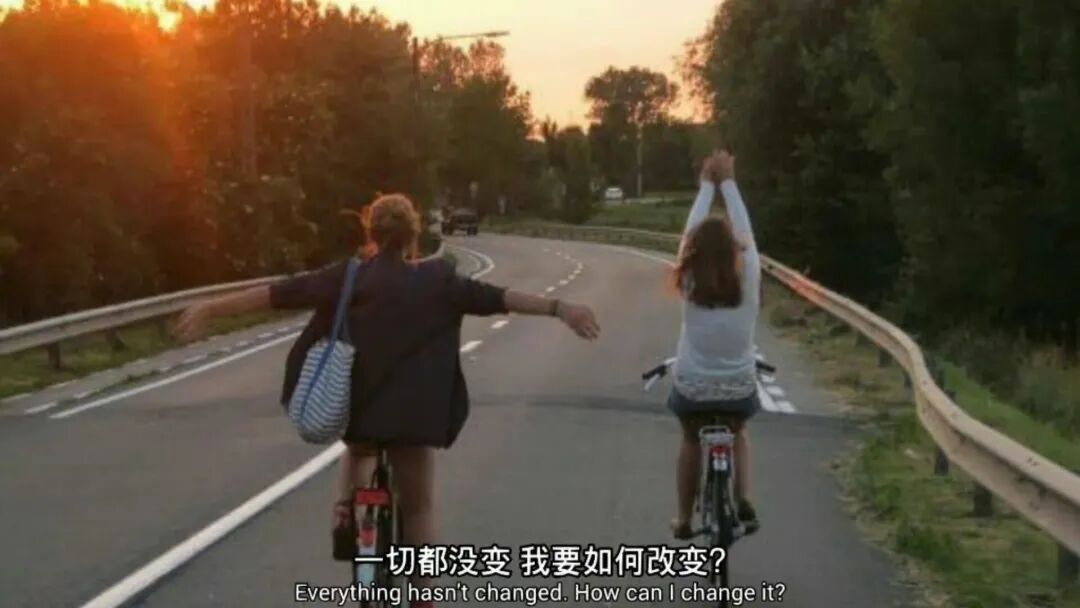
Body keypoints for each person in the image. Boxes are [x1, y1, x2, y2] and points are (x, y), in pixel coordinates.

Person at [173, 194, 600, 605]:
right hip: (415, 421)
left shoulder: (349, 277)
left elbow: (279, 293)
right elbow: (500, 298)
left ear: (371, 233)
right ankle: (422, 598)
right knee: (418, 509)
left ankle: (345, 509)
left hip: (361, 416)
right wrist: (560, 308)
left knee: (357, 447)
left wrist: (211, 309)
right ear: (414, 235)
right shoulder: (439, 281)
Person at [668, 150, 761, 539]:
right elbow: (746, 229)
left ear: (694, 252)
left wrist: (706, 185)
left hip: (693, 386)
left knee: (691, 439)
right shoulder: (749, 277)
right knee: (738, 432)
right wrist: (728, 182)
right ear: (734, 250)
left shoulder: (688, 280)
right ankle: (743, 498)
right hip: (739, 385)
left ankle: (684, 519)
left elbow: (690, 231)